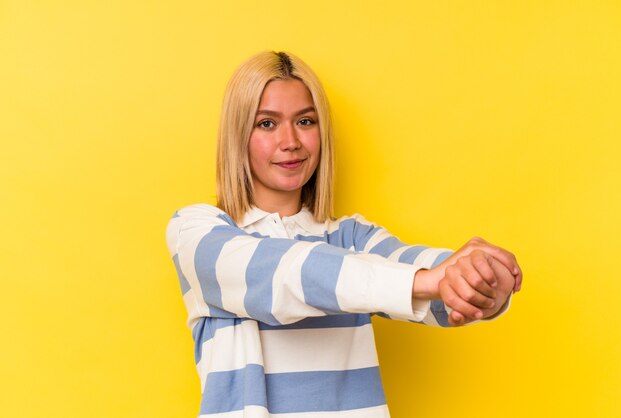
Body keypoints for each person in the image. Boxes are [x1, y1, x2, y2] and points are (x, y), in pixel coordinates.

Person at [166, 51, 522, 418]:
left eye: (305, 121)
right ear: (237, 133)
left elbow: (426, 280)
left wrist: (479, 281)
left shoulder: (352, 238)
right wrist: (431, 279)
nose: (290, 141)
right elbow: (288, 274)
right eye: (267, 124)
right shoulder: (197, 231)